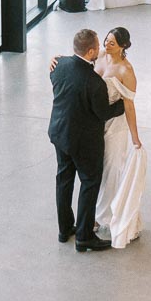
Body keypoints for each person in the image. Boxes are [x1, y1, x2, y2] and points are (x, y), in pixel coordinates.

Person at [48, 28, 125, 253]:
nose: (101, 48)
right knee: (90, 182)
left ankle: (65, 229)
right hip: (83, 141)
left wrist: (54, 58)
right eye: (98, 46)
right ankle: (84, 236)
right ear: (91, 51)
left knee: (64, 180)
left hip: (59, 134)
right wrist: (121, 103)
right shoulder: (94, 83)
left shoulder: (58, 66)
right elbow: (102, 113)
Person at [93, 27, 147, 248]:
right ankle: (97, 212)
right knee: (96, 169)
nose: (107, 45)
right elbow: (79, 57)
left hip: (116, 126)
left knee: (111, 170)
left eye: (112, 43)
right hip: (96, 121)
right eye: (106, 40)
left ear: (123, 46)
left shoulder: (126, 71)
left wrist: (135, 137)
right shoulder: (100, 56)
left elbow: (129, 107)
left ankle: (101, 217)